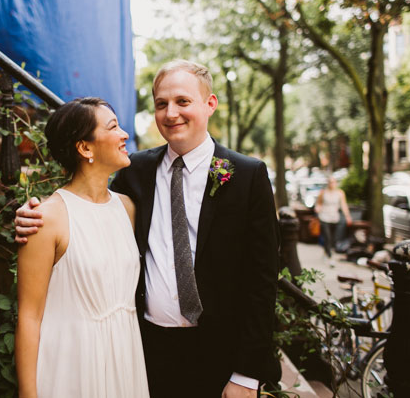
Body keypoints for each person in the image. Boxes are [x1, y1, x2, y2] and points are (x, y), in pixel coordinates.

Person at [16, 60, 280, 398]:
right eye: (161, 104)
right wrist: (27, 211)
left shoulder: (247, 175)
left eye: (183, 101)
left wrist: (246, 374)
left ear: (209, 104)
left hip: (220, 354)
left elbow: (262, 281)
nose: (171, 113)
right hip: (145, 352)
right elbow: (86, 205)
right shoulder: (136, 171)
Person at [15, 97, 149, 398]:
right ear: (85, 148)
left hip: (125, 359)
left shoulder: (127, 208)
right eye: (113, 127)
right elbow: (29, 317)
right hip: (72, 366)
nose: (125, 134)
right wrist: (28, 394)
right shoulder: (47, 218)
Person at [315, 176, 352, 267]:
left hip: (334, 217)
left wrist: (347, 216)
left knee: (333, 238)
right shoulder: (323, 193)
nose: (332, 184)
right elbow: (319, 203)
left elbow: (343, 205)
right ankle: (330, 256)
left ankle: (326, 252)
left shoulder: (340, 193)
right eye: (330, 182)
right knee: (327, 236)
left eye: (333, 182)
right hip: (324, 217)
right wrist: (317, 209)